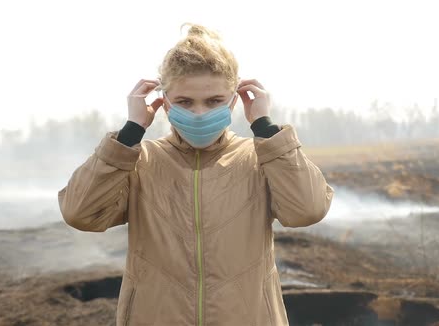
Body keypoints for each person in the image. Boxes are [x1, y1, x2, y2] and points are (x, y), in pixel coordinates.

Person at [58, 23, 334, 326]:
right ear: (163, 102)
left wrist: (266, 128)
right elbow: (80, 213)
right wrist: (130, 133)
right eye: (185, 102)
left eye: (214, 101)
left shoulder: (260, 158)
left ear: (233, 99)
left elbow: (308, 210)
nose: (199, 114)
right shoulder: (139, 161)